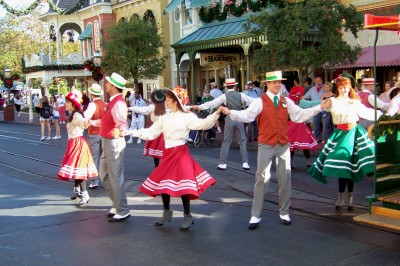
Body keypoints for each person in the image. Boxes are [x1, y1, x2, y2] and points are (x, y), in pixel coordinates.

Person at [220, 71, 331, 229]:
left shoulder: (286, 101)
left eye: (279, 82)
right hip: (266, 143)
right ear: (267, 84)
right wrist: (231, 112)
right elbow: (247, 115)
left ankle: (284, 212)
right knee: (262, 178)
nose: (277, 85)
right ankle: (255, 215)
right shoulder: (260, 101)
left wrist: (320, 107)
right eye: (274, 82)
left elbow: (299, 115)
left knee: (285, 178)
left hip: (283, 144)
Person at [123, 87, 221, 230]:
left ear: (176, 101)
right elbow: (150, 133)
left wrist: (216, 114)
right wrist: (128, 132)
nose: (166, 101)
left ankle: (187, 215)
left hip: (180, 153)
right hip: (168, 153)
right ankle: (167, 212)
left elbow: (202, 124)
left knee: (184, 186)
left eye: (168, 99)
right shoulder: (165, 118)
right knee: (163, 184)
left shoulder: (187, 116)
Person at [308, 75, 380, 211]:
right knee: (343, 167)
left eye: (346, 88)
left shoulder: (355, 101)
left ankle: (350, 200)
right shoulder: (333, 101)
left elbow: (367, 112)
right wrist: (310, 105)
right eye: (341, 88)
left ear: (349, 88)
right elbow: (321, 107)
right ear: (338, 89)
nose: (344, 90)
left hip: (354, 133)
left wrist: (383, 114)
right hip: (340, 134)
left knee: (352, 166)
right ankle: (341, 198)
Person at [193, 78, 254, 170]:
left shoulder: (224, 96)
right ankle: (245, 163)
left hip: (229, 118)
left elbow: (212, 104)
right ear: (234, 86)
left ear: (226, 86)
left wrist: (199, 107)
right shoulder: (240, 94)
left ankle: (223, 164)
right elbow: (252, 101)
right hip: (239, 117)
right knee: (242, 140)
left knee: (226, 141)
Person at [97, 72, 131, 222]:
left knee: (115, 177)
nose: (106, 84)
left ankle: (122, 209)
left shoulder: (118, 103)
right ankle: (117, 204)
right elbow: (105, 120)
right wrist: (91, 122)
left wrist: (123, 129)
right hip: (107, 140)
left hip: (114, 141)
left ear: (114, 87)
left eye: (108, 83)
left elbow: (121, 121)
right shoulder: (112, 101)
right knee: (103, 174)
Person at [57, 89, 98, 206]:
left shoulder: (76, 114)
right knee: (76, 167)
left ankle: (85, 194)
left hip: (77, 142)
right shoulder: (73, 113)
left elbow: (81, 122)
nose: (65, 104)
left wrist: (90, 122)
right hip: (74, 142)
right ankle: (77, 190)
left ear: (73, 103)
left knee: (79, 168)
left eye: (67, 102)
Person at [128, 89, 166, 168]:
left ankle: (157, 167)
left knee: (156, 152)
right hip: (165, 131)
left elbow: (142, 109)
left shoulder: (152, 107)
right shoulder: (167, 107)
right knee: (165, 151)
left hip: (155, 131)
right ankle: (164, 168)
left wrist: (130, 108)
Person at [287, 85, 320, 167]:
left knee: (295, 143)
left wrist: (322, 102)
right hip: (295, 125)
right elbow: (312, 104)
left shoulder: (293, 102)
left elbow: (312, 104)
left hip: (296, 126)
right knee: (302, 142)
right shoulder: (290, 102)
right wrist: (322, 102)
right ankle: (305, 161)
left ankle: (299, 161)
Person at [84, 84, 107, 189]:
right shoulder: (105, 104)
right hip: (104, 133)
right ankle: (106, 179)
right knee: (104, 157)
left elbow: (86, 117)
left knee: (94, 158)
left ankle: (94, 181)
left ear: (92, 93)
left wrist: (92, 122)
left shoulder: (92, 105)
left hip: (94, 133)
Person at [303, 76, 325, 142]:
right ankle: (316, 138)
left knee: (325, 125)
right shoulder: (312, 89)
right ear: (314, 81)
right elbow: (306, 96)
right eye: (316, 80)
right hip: (315, 109)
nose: (318, 82)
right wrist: (298, 98)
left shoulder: (325, 88)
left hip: (324, 109)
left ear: (322, 81)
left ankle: (324, 139)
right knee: (316, 124)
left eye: (319, 80)